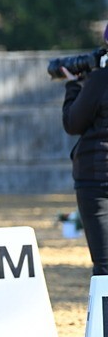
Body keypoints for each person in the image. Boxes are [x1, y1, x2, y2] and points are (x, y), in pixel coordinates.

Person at [61, 27, 108, 275]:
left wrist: (73, 86)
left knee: (105, 263)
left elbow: (73, 123)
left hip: (98, 178)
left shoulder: (101, 80)